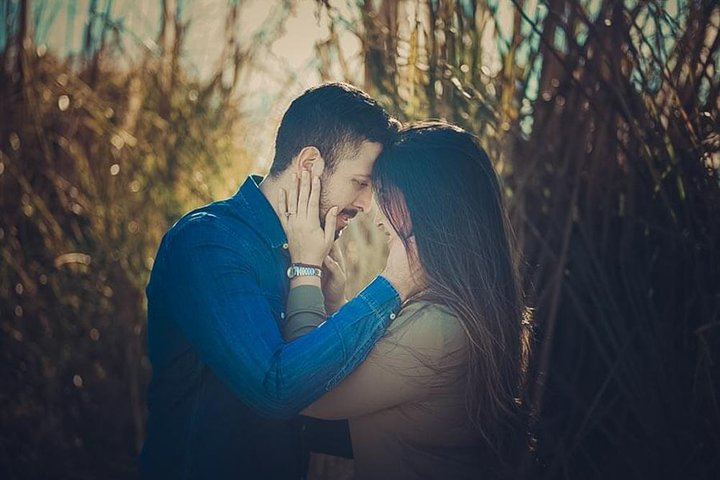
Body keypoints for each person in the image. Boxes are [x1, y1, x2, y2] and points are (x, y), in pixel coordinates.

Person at [138, 83, 416, 479]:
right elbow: (274, 387)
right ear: (308, 165)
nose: (366, 205)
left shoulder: (308, 254)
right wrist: (394, 285)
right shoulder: (208, 244)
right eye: (360, 182)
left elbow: (310, 414)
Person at [280, 122, 529, 479]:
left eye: (383, 191)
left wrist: (305, 268)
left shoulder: (439, 329)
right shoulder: (454, 315)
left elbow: (304, 391)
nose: (374, 210)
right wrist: (334, 306)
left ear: (425, 202)